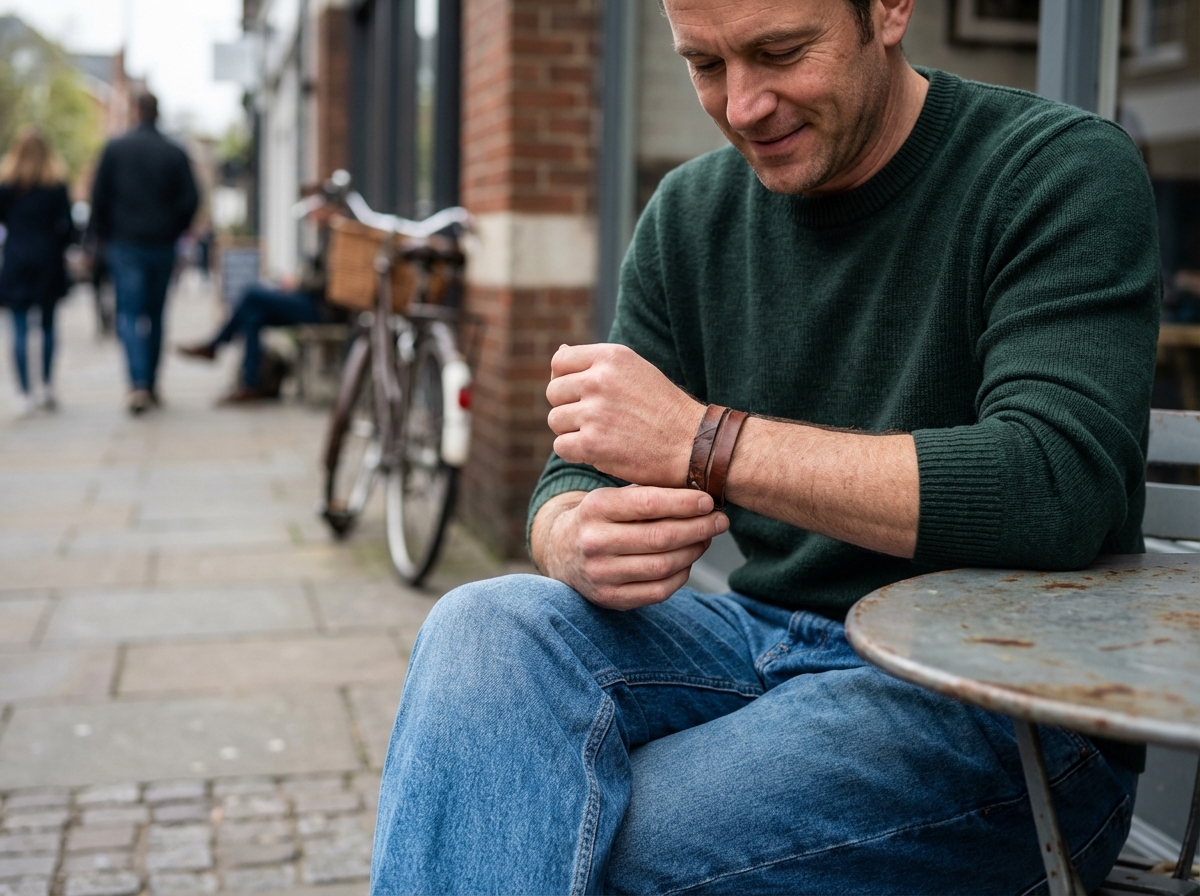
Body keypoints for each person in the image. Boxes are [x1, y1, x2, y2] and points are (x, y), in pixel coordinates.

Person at [370, 0, 1161, 892]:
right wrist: (569, 534)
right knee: (484, 629)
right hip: (761, 644)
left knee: (567, 830)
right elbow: (583, 461)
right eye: (705, 65)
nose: (743, 105)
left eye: (780, 52)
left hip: (1000, 701)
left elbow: (1055, 485)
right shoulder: (689, 214)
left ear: (890, 11)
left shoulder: (1054, 170)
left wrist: (702, 440)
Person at [90, 93, 199, 415]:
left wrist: (103, 237)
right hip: (162, 245)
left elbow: (99, 198)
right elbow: (191, 200)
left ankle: (138, 383)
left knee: (129, 314)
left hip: (125, 244)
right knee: (155, 314)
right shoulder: (174, 152)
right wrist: (173, 228)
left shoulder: (115, 149)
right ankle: (150, 383)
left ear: (136, 112)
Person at [176, 208, 341, 403]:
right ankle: (249, 384)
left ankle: (216, 346)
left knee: (252, 294)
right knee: (253, 317)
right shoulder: (323, 236)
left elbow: (330, 283)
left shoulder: (339, 237)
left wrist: (298, 284)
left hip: (320, 308)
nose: (311, 215)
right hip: (308, 300)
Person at [0, 129, 74, 416]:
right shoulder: (55, 184)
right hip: (48, 259)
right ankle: (45, 385)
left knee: (18, 328)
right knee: (47, 326)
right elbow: (67, 225)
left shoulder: (8, 184)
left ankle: (24, 392)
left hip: (17, 259)